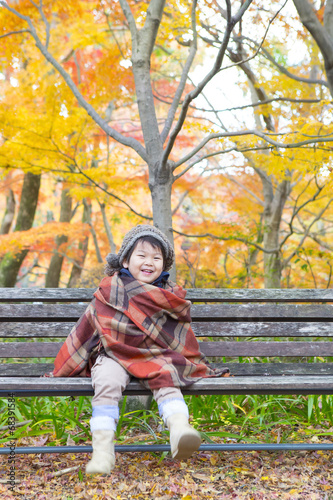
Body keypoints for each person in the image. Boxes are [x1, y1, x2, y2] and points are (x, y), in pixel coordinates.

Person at [49, 224, 229, 475]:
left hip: (153, 353)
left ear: (163, 265)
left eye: (157, 258)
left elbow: (177, 336)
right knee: (107, 382)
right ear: (125, 259)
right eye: (142, 255)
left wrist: (183, 359)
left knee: (167, 374)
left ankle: (180, 430)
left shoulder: (169, 296)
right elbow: (89, 325)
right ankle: (103, 453)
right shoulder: (110, 289)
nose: (149, 262)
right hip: (112, 352)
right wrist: (68, 363)